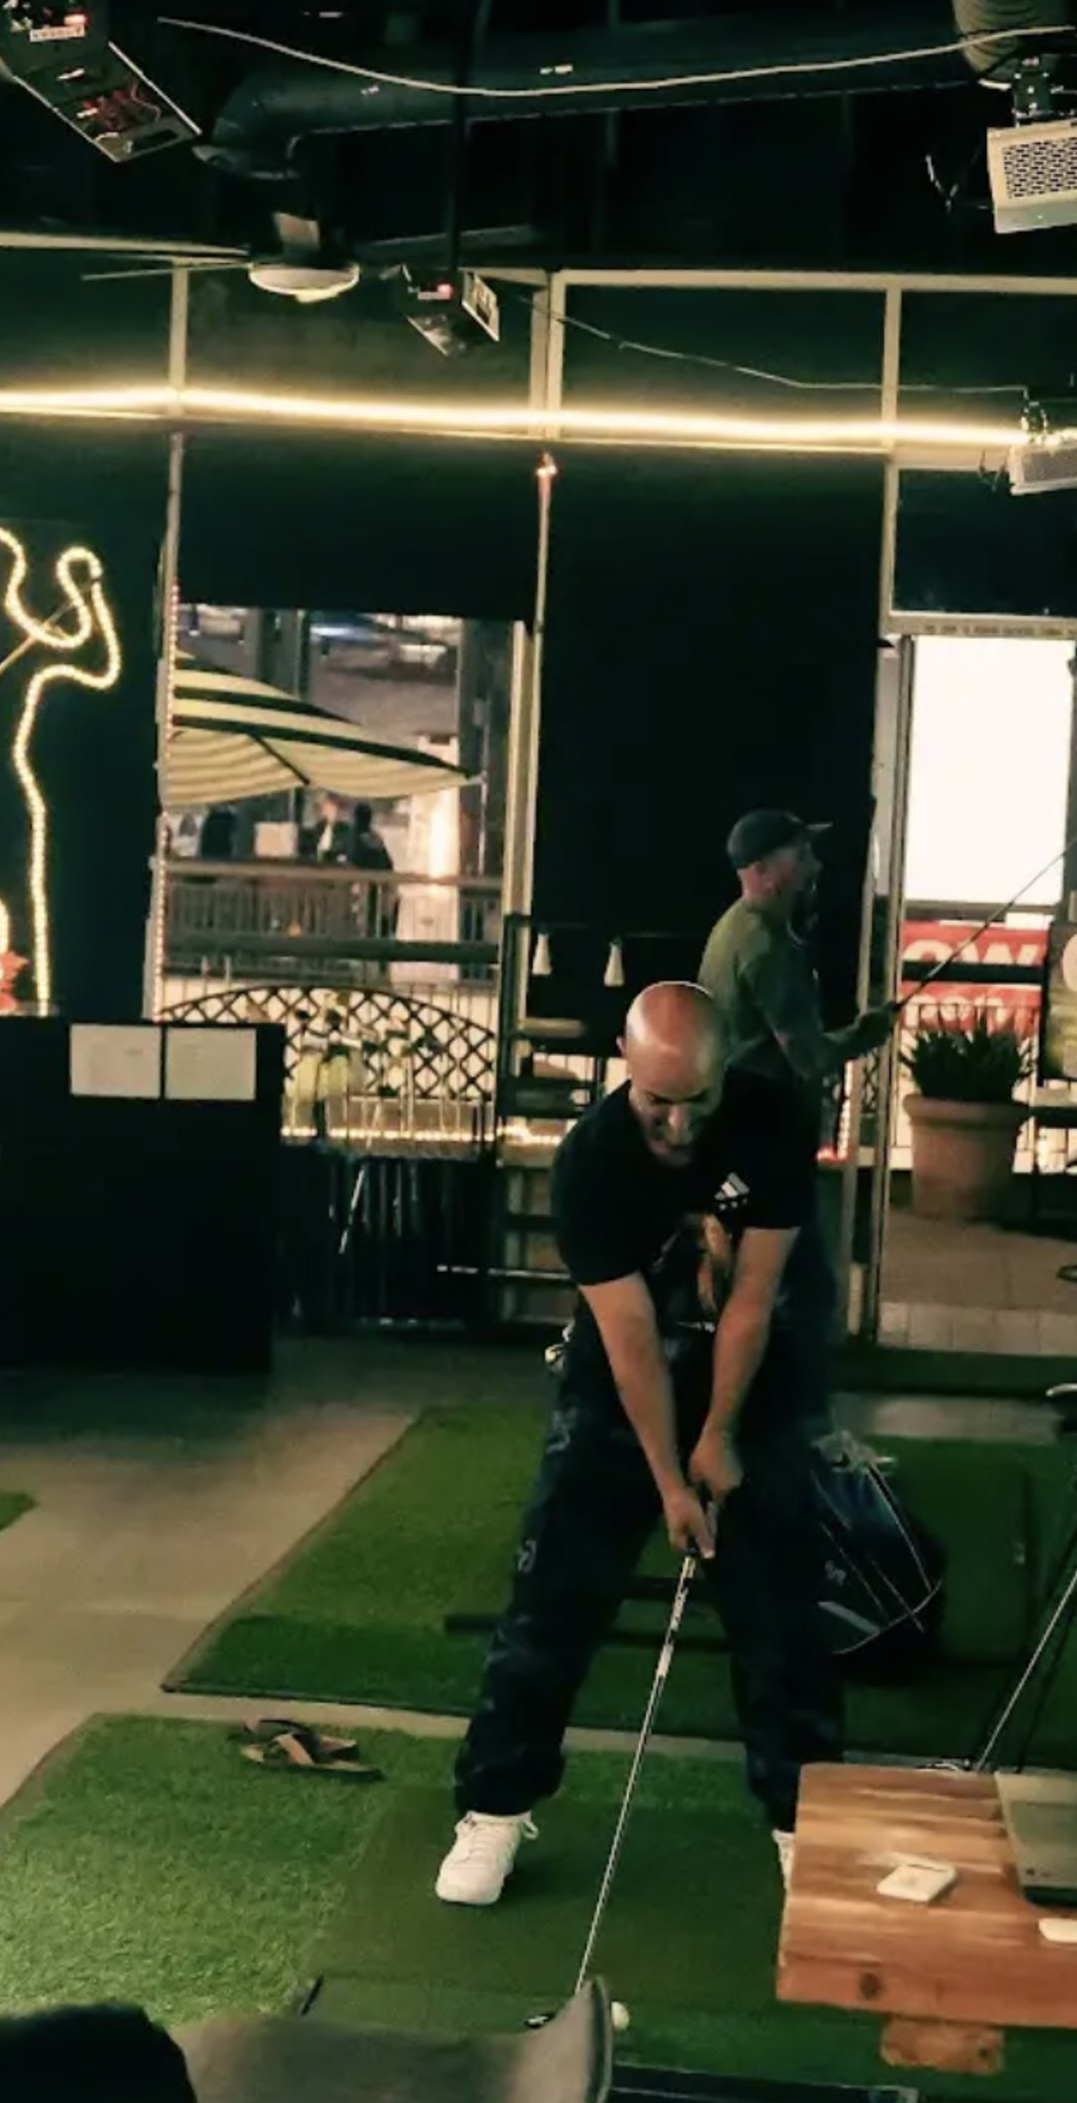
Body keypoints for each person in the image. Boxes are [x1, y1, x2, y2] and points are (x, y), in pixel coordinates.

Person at [436, 982, 844, 1906]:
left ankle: (805, 1825)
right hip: (621, 1389)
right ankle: (494, 1808)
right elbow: (628, 1341)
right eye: (658, 1101)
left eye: (696, 1101)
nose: (676, 1124)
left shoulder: (774, 1121)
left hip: (752, 1382)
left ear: (725, 1071)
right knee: (550, 1603)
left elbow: (753, 1301)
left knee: (783, 1615)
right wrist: (671, 1482)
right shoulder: (591, 1161)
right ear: (626, 1066)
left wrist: (720, 1436)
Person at [698, 808, 892, 1109]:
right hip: (763, 1113)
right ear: (761, 871)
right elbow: (810, 1059)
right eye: (801, 856)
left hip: (735, 1106)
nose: (816, 865)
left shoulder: (733, 926)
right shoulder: (768, 950)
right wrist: (867, 1032)